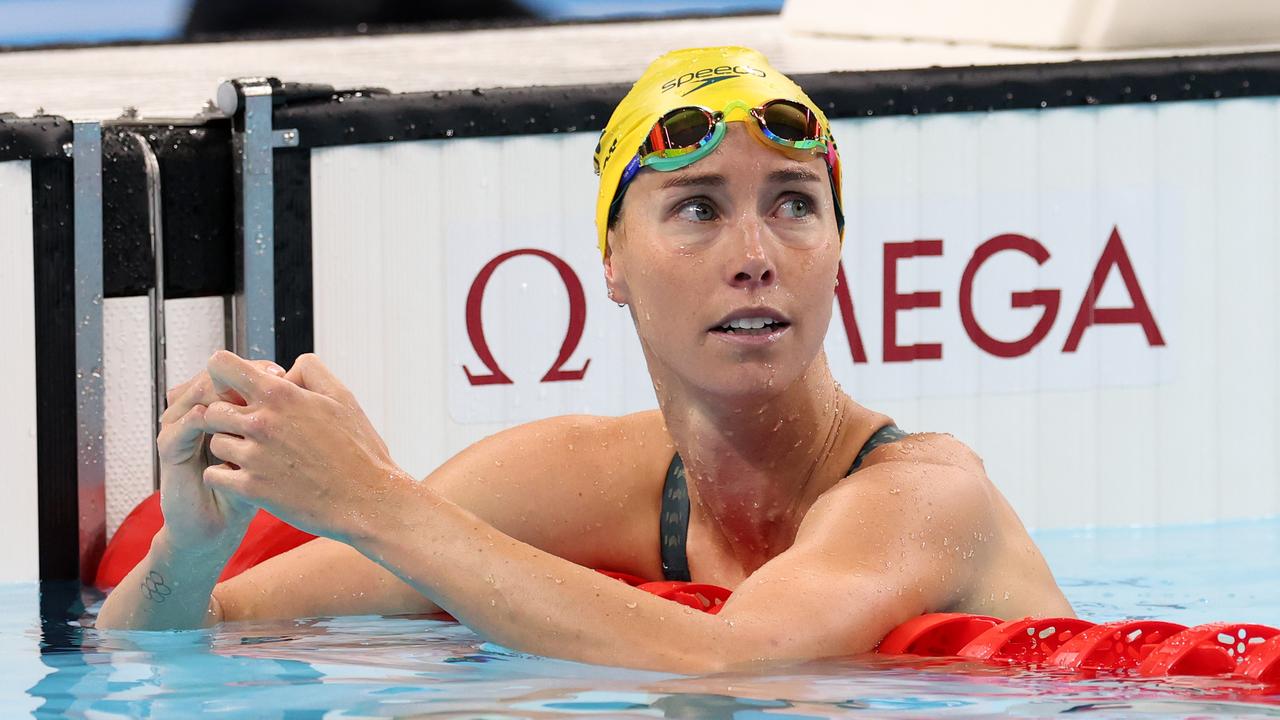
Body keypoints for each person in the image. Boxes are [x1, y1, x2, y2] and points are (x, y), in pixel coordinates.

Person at [97, 46, 1073, 672]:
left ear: (834, 253)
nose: (753, 256)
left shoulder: (926, 496)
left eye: (792, 203)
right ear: (610, 262)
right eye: (697, 208)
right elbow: (178, 635)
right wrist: (189, 551)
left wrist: (374, 500)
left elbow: (742, 664)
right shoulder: (574, 476)